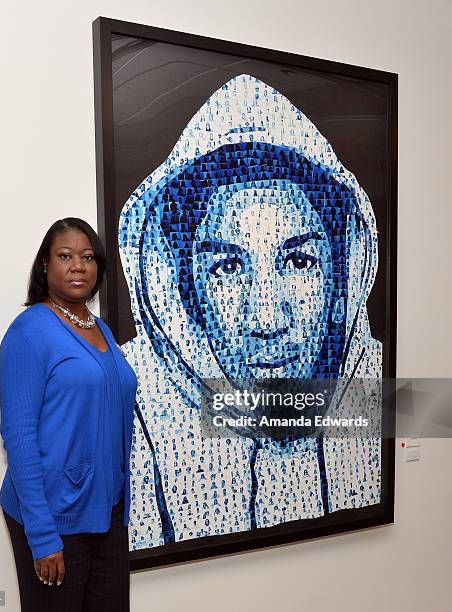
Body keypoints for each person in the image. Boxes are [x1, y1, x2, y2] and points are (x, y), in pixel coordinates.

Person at [118, 74, 382, 549]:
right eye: (227, 268)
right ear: (185, 289)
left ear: (342, 272)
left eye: (299, 261)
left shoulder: (380, 388)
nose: (264, 319)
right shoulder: (134, 408)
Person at [0, 217, 137, 611]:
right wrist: (42, 535)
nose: (79, 265)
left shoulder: (100, 328)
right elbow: (19, 438)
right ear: (45, 264)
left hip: (106, 511)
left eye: (88, 257)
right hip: (54, 516)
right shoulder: (29, 333)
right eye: (66, 256)